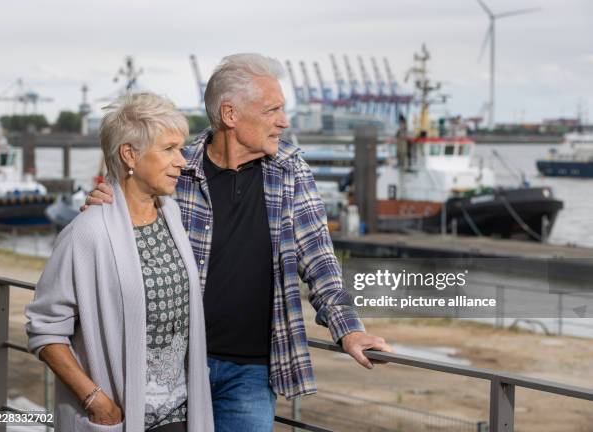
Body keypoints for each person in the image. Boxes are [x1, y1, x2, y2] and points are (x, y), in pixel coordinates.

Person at [86, 53, 391, 432]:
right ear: (230, 114)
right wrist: (104, 203)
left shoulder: (291, 169)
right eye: (272, 110)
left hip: (252, 373)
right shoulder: (178, 166)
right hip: (174, 364)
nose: (284, 121)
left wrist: (349, 330)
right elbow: (126, 217)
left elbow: (320, 259)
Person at [25, 93, 214, 432]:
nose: (182, 161)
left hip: (182, 417)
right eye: (169, 149)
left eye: (181, 148)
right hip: (123, 419)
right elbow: (44, 327)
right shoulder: (87, 233)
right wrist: (97, 402)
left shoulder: (174, 216)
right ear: (130, 154)